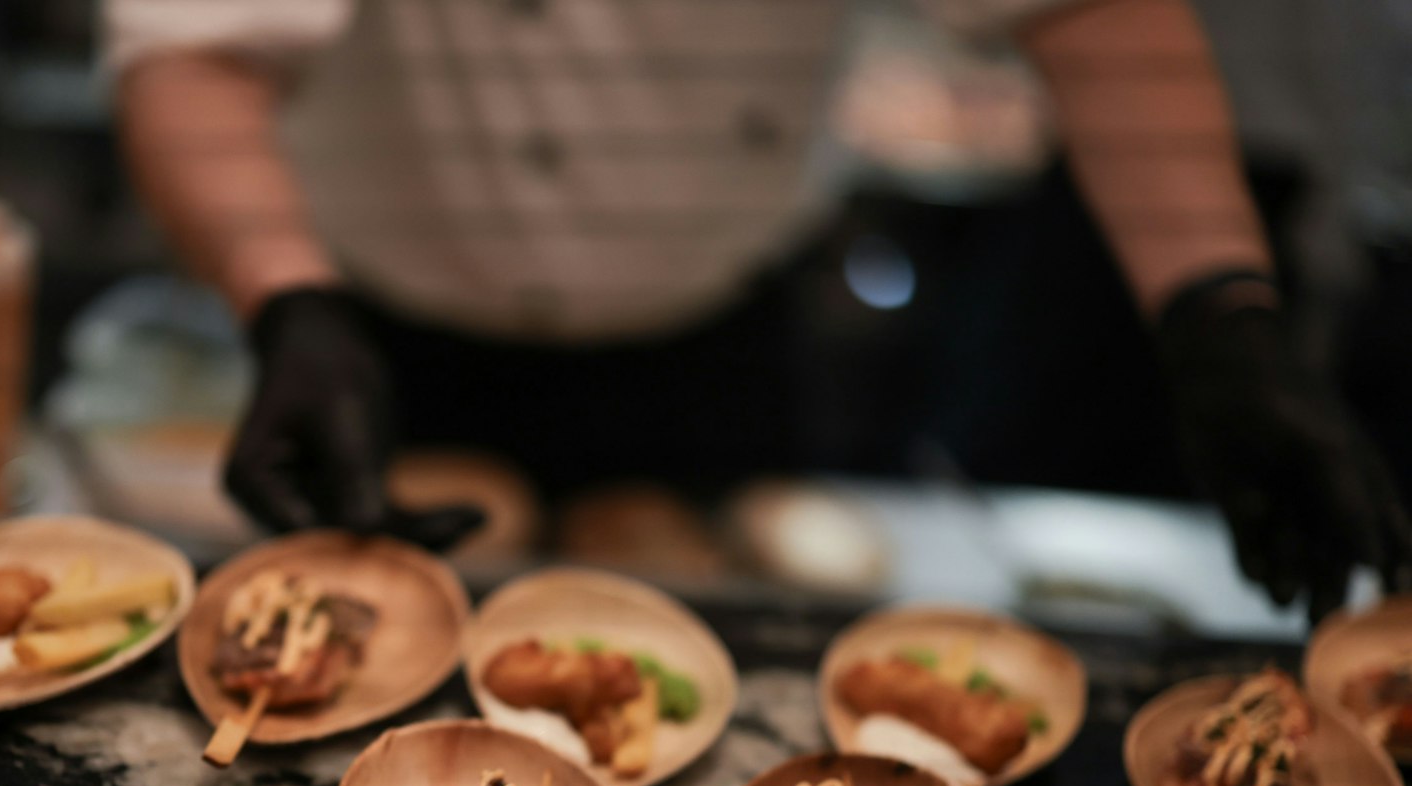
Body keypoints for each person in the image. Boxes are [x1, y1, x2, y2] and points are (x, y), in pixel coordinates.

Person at [108, 0, 1410, 620]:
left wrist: (1221, 315)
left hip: (719, 343)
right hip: (380, 347)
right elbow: (195, 52)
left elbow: (1084, 13)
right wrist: (286, 303)